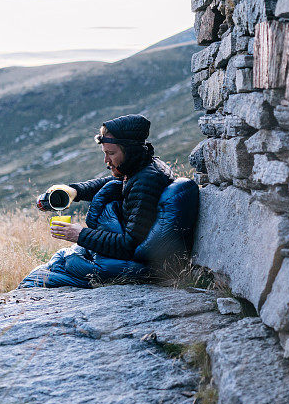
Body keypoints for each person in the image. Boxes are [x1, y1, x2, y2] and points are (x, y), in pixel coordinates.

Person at [18, 114, 174, 289]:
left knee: (35, 282)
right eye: (105, 153)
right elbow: (113, 183)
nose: (106, 161)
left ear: (130, 151)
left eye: (111, 153)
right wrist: (74, 191)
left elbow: (129, 244)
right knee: (48, 269)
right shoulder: (141, 168)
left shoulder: (146, 183)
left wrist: (80, 235)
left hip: (128, 265)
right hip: (116, 259)